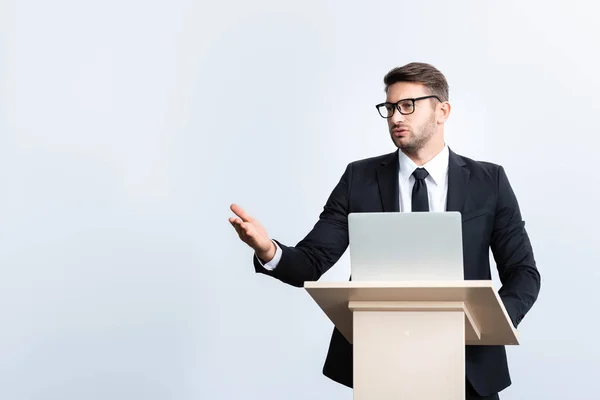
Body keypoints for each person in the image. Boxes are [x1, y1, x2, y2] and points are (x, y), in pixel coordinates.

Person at [229, 62, 541, 399]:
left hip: (468, 367)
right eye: (390, 108)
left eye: (408, 106)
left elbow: (523, 272)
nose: (395, 117)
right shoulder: (359, 179)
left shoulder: (488, 182)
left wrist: (487, 322)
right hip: (379, 362)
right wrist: (268, 251)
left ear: (442, 111)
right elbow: (312, 260)